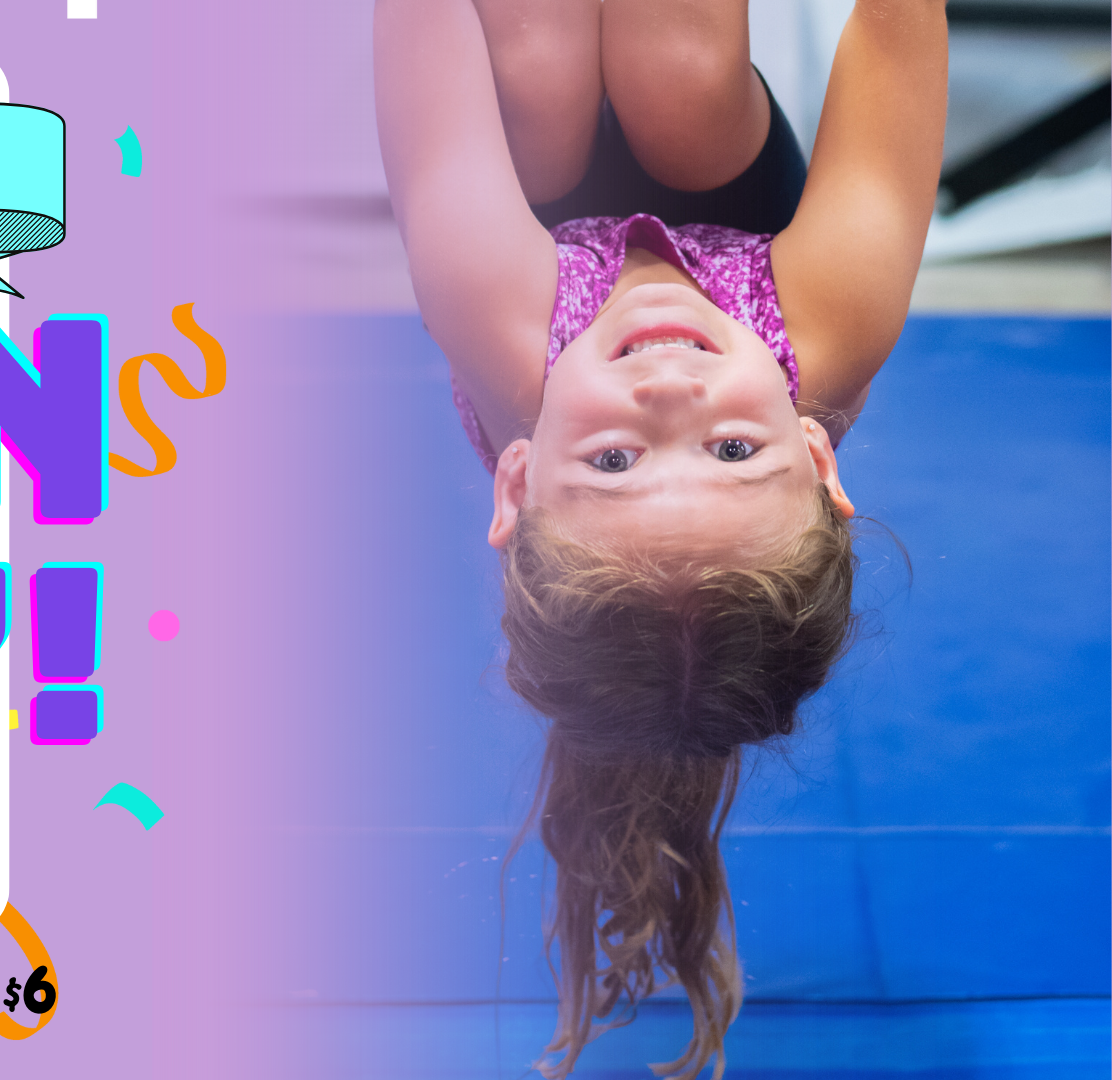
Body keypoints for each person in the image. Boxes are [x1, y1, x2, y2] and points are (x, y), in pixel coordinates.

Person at [373, 2, 947, 1076]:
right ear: (819, 455)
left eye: (615, 462)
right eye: (735, 449)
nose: (671, 388)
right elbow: (902, 35)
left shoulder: (500, 321)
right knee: (676, 76)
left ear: (518, 475)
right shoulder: (826, 321)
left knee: (537, 72)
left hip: (533, 225)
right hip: (732, 206)